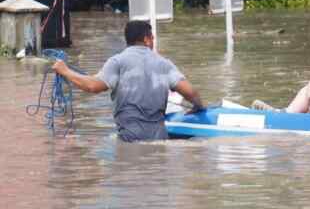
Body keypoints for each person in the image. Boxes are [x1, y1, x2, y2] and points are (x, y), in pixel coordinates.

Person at [51, 21, 204, 142]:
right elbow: (191, 92)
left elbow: (93, 86)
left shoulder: (117, 61)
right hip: (159, 136)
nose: (153, 42)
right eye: (152, 38)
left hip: (129, 138)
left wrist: (65, 71)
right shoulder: (164, 63)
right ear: (146, 39)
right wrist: (198, 107)